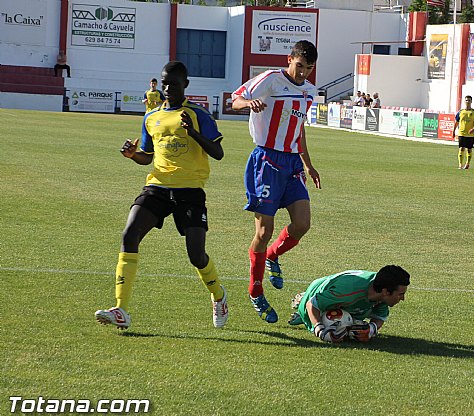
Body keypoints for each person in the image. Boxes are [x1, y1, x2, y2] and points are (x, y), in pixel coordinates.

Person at [95, 61, 228, 330]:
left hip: (190, 191)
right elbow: (148, 157)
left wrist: (192, 132)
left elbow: (217, 152)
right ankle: (120, 309)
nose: (167, 88)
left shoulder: (199, 114)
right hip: (157, 187)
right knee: (129, 235)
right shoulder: (151, 117)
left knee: (196, 255)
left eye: (174, 84)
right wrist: (133, 155)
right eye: (165, 82)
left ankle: (219, 296)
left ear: (186, 85)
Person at [231, 40, 320, 324]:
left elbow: (299, 128)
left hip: (292, 162)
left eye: (307, 69)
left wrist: (308, 163)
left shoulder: (309, 92)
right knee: (263, 230)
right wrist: (248, 102)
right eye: (299, 66)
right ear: (289, 59)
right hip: (266, 162)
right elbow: (235, 100)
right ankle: (255, 291)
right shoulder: (270, 79)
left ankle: (272, 256)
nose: (302, 73)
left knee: (302, 224)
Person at [288, 265, 410, 343]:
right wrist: (319, 329)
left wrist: (371, 329)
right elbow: (312, 304)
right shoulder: (348, 292)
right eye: (400, 294)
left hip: (343, 299)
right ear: (385, 292)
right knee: (334, 328)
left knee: (351, 324)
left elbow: (379, 317)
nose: (403, 298)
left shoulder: (381, 290)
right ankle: (303, 309)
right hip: (315, 295)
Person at [453, 95, 474, 169]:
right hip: (461, 133)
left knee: (469, 149)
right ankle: (460, 165)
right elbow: (456, 122)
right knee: (461, 148)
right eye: (466, 100)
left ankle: (467, 163)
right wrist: (453, 131)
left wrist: (473, 129)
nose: (467, 101)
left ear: (471, 101)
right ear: (464, 101)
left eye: (469, 100)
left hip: (470, 135)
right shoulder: (461, 112)